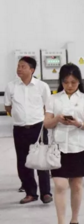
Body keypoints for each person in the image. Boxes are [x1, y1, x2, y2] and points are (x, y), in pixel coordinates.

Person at [44, 64, 84, 224]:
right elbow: (46, 124)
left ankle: (74, 221)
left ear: (79, 81)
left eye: (73, 82)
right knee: (60, 185)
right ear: (61, 82)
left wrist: (77, 123)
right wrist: (57, 118)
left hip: (78, 146)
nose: (70, 85)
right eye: (66, 82)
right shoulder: (53, 99)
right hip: (58, 147)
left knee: (76, 185)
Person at [4, 56, 53, 205]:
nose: (19, 69)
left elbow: (48, 107)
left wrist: (44, 123)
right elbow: (8, 106)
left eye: (23, 66)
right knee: (23, 161)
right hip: (19, 129)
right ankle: (30, 193)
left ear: (32, 70)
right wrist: (20, 116)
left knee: (42, 160)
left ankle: (46, 193)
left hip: (38, 128)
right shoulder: (11, 86)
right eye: (18, 66)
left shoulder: (42, 86)